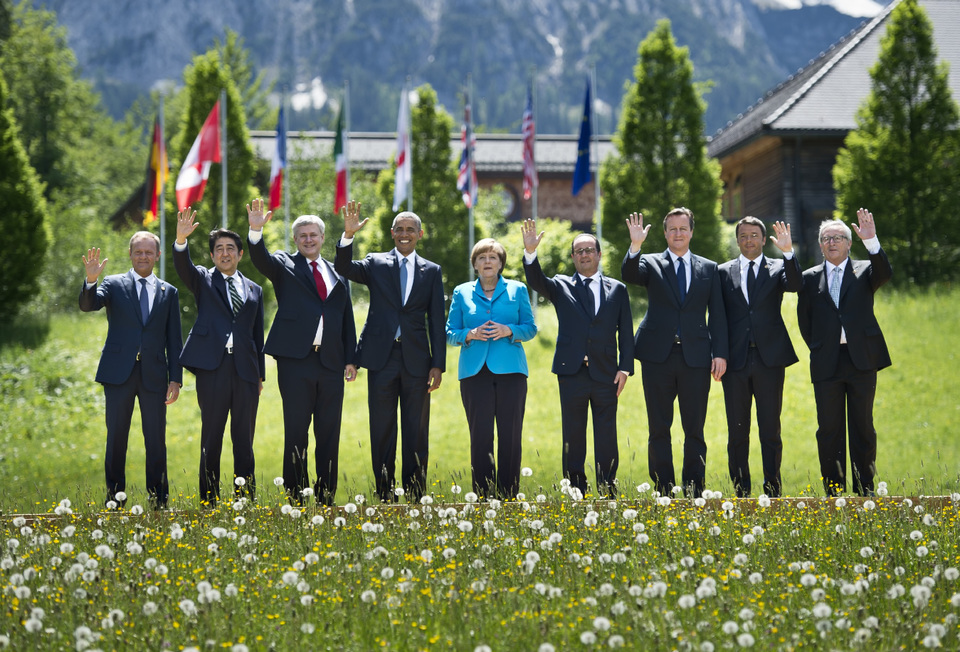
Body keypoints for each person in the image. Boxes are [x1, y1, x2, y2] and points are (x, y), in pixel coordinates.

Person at [246, 197, 358, 506]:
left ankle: (326, 499)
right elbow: (261, 259)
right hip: (296, 362)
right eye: (303, 236)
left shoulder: (338, 271)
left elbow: (346, 317)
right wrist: (255, 232)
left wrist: (351, 358)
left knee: (329, 433)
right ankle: (296, 499)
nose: (308, 240)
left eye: (313, 235)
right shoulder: (284, 265)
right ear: (295, 240)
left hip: (332, 362)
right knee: (296, 431)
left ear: (322, 237)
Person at [334, 201, 445, 503]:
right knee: (382, 429)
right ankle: (385, 496)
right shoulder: (376, 262)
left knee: (416, 431)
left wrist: (438, 364)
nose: (405, 234)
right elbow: (344, 268)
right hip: (381, 359)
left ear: (420, 234)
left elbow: (437, 320)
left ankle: (416, 497)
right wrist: (348, 236)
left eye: (410, 229)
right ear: (392, 233)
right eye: (400, 229)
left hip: (417, 362)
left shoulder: (432, 271)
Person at [522, 220, 634, 498]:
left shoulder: (617, 289)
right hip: (571, 373)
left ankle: (608, 490)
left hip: (607, 373)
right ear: (573, 257)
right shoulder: (561, 286)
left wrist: (625, 369)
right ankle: (576, 491)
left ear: (599, 254)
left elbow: (626, 332)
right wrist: (530, 253)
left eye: (589, 250)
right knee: (573, 434)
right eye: (579, 251)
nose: (584, 255)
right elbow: (536, 281)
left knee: (606, 434)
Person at [622, 208, 728, 498]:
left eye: (683, 228)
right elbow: (629, 274)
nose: (678, 233)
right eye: (672, 229)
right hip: (657, 356)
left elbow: (718, 314)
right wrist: (635, 246)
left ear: (691, 232)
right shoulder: (651, 262)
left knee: (695, 429)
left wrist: (720, 352)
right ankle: (664, 491)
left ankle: (695, 492)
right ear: (665, 233)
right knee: (659, 427)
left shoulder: (709, 268)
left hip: (696, 357)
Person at [80, 232, 182, 509]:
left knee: (156, 440)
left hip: (154, 376)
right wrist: (91, 281)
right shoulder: (113, 284)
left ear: (158, 255)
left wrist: (175, 379)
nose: (143, 256)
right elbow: (88, 305)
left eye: (149, 252)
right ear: (130, 254)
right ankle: (115, 501)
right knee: (116, 439)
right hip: (118, 374)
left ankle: (159, 502)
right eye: (138, 252)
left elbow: (174, 340)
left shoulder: (169, 292)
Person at [173, 209, 265, 506]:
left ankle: (244, 501)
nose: (225, 253)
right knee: (211, 438)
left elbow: (257, 334)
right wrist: (181, 240)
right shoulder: (203, 280)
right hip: (213, 368)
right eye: (219, 249)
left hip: (246, 372)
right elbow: (184, 266)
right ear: (212, 256)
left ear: (240, 254)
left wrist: (260, 375)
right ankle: (209, 502)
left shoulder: (254, 289)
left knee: (244, 441)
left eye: (230, 248)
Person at [797, 208, 891, 497]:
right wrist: (821, 347)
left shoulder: (865, 270)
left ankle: (865, 492)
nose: (832, 242)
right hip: (827, 362)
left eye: (838, 237)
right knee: (828, 430)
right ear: (820, 245)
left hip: (862, 360)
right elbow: (805, 322)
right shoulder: (809, 278)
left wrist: (871, 240)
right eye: (826, 239)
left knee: (863, 427)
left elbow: (885, 273)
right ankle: (834, 494)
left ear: (849, 243)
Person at [446, 238, 538, 499]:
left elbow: (530, 328)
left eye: (493, 257)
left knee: (511, 436)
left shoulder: (517, 289)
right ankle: (484, 498)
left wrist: (509, 330)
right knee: (480, 437)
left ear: (500, 263)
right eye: (482, 257)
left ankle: (508, 497)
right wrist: (470, 334)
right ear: (475, 264)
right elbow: (449, 332)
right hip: (474, 374)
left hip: (512, 373)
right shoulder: (461, 292)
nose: (487, 261)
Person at [717, 217, 801, 498]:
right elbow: (717, 317)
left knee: (770, 430)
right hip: (735, 362)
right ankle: (741, 492)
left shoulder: (777, 267)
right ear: (737, 240)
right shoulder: (722, 272)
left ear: (764, 240)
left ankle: (773, 491)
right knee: (737, 431)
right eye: (743, 235)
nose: (749, 240)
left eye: (754, 235)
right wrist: (718, 354)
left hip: (770, 360)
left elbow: (795, 284)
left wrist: (788, 252)